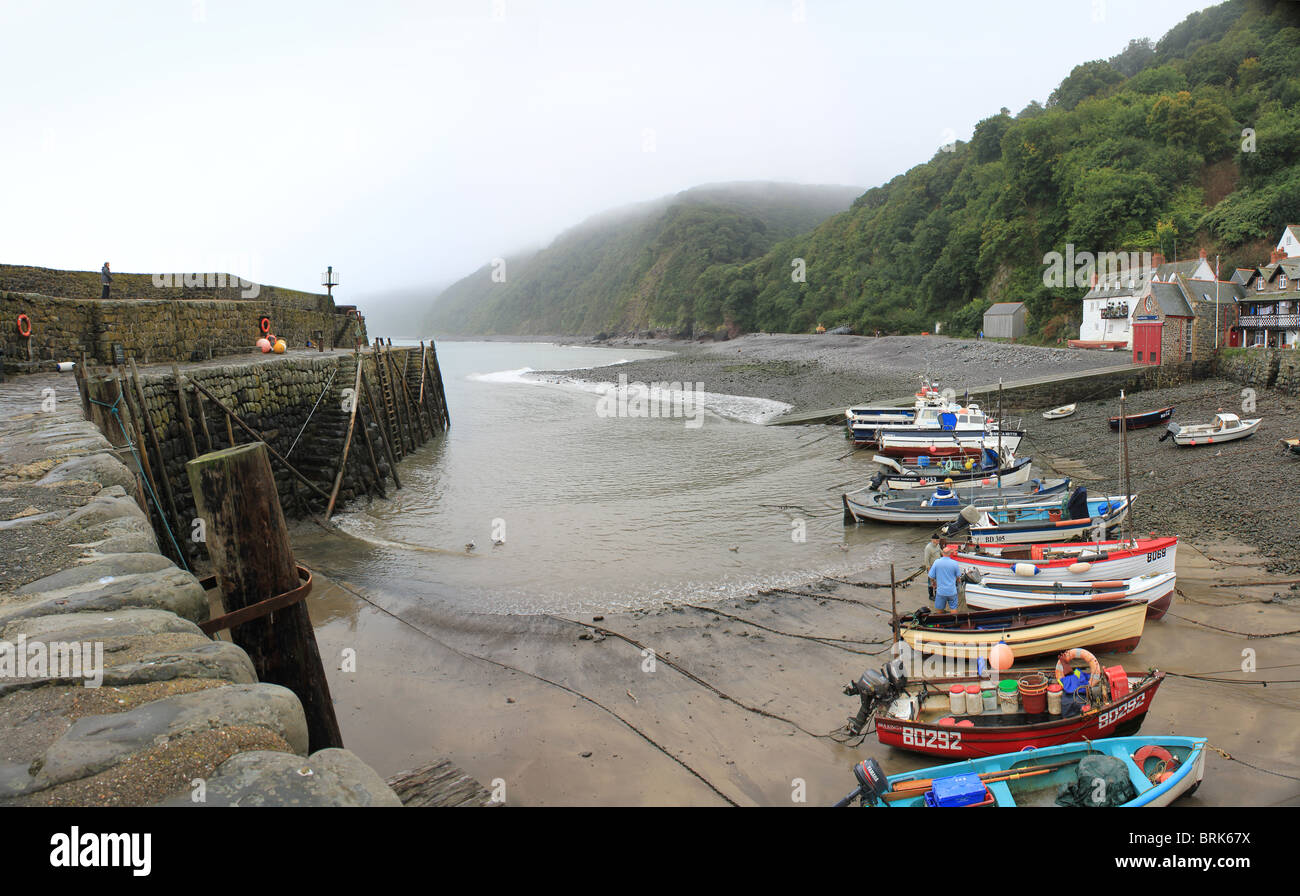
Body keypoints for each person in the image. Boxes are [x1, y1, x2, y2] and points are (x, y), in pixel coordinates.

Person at [929, 547, 962, 612]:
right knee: (953, 608)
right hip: (952, 591)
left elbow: (931, 576)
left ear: (942, 553)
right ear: (950, 554)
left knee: (939, 609)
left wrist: (933, 582)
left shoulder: (937, 562)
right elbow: (958, 577)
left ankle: (940, 621)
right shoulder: (954, 563)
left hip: (941, 591)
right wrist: (958, 582)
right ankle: (954, 621)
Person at [923, 535, 943, 602]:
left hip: (938, 566)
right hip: (931, 567)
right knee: (931, 581)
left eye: (938, 541)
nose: (938, 542)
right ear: (933, 540)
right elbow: (926, 560)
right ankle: (931, 596)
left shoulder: (937, 545)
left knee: (937, 581)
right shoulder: (928, 548)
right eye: (937, 541)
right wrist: (929, 570)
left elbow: (941, 552)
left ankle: (937, 595)